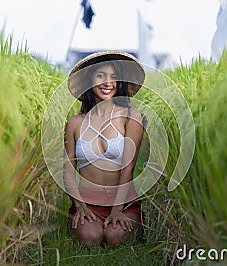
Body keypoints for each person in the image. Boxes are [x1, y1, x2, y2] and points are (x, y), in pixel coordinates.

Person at [63, 51, 146, 248]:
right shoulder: (75, 123)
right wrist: (79, 206)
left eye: (113, 77)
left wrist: (117, 210)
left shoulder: (130, 116)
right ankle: (84, 220)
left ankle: (133, 221)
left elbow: (128, 168)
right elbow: (67, 170)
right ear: (89, 80)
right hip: (87, 201)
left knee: (115, 236)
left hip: (123, 202)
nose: (107, 82)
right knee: (90, 237)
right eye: (100, 76)